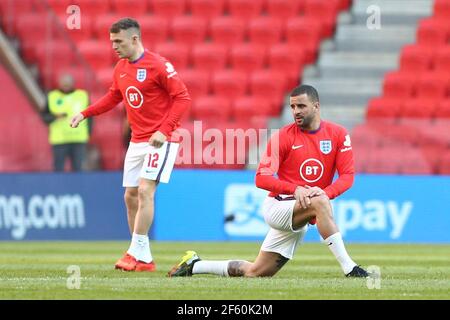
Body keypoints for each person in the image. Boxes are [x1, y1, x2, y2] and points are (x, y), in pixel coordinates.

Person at [168, 85, 369, 278]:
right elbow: (261, 178)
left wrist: (327, 192)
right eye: (292, 107)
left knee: (256, 272)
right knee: (319, 201)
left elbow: (347, 176)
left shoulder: (338, 134)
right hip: (278, 207)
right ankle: (350, 268)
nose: (296, 111)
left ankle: (195, 265)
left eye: (301, 106)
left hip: (302, 211)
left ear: (316, 106)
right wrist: (296, 189)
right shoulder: (282, 137)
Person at [70, 18, 191, 272]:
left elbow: (182, 97)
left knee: (146, 191)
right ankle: (144, 258)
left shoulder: (159, 65)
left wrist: (164, 130)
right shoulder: (121, 68)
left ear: (134, 39)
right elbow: (114, 96)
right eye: (112, 41)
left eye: (118, 41)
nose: (113, 46)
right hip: (137, 141)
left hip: (160, 140)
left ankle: (133, 252)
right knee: (130, 196)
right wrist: (85, 113)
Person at [41, 73, 90, 171]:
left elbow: (91, 116)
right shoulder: (52, 96)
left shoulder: (82, 95)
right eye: (63, 84)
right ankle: (58, 186)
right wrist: (54, 117)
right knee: (58, 169)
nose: (65, 86)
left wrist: (89, 132)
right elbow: (44, 116)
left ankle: (77, 186)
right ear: (59, 84)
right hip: (59, 140)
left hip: (78, 138)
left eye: (67, 84)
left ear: (73, 84)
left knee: (78, 169)